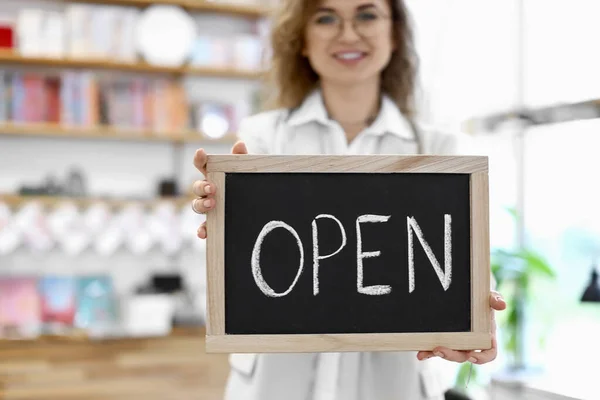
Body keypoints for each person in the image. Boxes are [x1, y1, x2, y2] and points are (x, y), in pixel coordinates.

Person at [191, 0, 506, 398]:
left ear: (394, 34)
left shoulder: (442, 148)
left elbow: (463, 264)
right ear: (302, 40)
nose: (348, 33)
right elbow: (236, 272)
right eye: (326, 18)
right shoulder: (259, 140)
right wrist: (220, 217)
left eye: (367, 14)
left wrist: (474, 318)